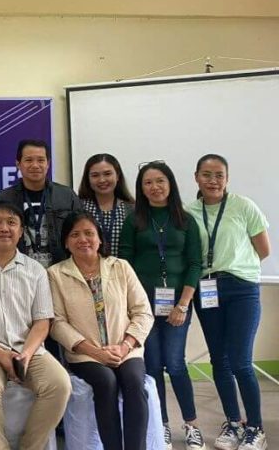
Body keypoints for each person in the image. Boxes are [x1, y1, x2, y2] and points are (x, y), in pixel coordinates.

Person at [0, 201, 71, 450]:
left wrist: (25, 355)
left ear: (21, 231)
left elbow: (43, 321)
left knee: (60, 384)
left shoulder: (36, 270)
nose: (4, 228)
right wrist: (1, 355)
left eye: (11, 223)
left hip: (27, 348)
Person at [49, 210, 153, 450]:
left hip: (126, 349)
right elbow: (57, 323)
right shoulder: (56, 274)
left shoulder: (121, 267)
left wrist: (125, 345)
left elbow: (143, 312)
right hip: (84, 354)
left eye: (89, 233)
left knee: (134, 381)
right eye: (75, 234)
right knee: (106, 382)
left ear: (100, 239)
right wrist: (95, 352)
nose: (83, 239)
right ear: (66, 241)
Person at [118, 161, 205, 450]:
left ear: (170, 184)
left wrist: (183, 303)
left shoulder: (186, 220)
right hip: (143, 308)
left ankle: (191, 425)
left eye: (160, 181)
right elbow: (125, 263)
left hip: (178, 304)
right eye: (147, 182)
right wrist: (132, 304)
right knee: (152, 366)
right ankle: (162, 425)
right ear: (141, 188)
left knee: (176, 364)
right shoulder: (134, 220)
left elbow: (195, 263)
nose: (154, 187)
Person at [186, 154, 270, 450]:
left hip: (241, 289)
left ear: (227, 178)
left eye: (219, 174)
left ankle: (256, 428)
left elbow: (264, 249)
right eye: (207, 174)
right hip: (207, 290)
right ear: (196, 177)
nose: (213, 180)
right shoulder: (188, 212)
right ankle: (233, 423)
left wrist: (236, 268)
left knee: (241, 361)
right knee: (218, 360)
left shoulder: (243, 206)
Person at [0, 139, 82, 269]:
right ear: (18, 164)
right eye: (29, 160)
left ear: (48, 164)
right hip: (17, 272)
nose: (35, 165)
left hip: (61, 272)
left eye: (41, 160)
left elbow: (80, 231)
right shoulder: (4, 198)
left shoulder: (66, 196)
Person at [78, 153, 135, 256]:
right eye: (95, 175)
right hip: (87, 270)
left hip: (122, 270)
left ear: (117, 176)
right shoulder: (78, 207)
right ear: (88, 179)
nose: (102, 180)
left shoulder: (131, 209)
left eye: (107, 174)